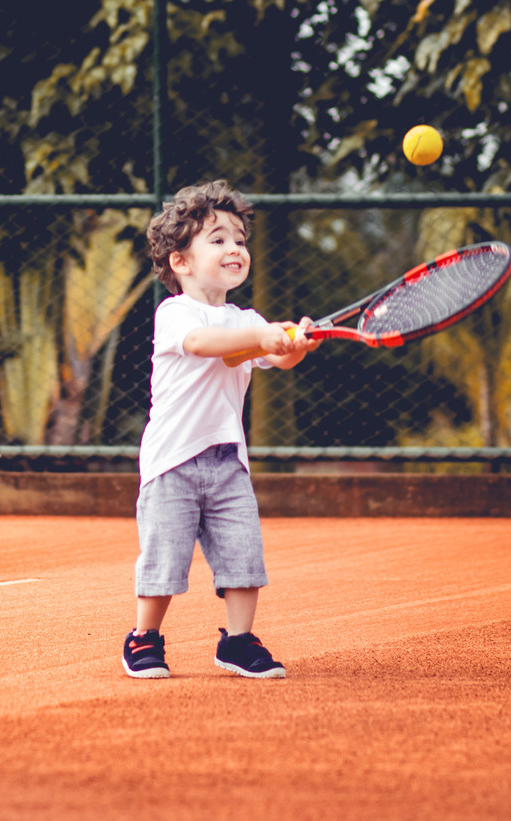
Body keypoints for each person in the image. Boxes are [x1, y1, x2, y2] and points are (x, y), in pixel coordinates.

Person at [123, 179, 321, 680]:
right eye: (217, 239)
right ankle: (144, 638)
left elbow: (277, 355)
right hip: (173, 462)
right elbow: (205, 343)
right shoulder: (176, 314)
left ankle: (237, 642)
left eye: (239, 239)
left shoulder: (245, 317)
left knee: (243, 554)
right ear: (180, 262)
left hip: (228, 461)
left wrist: (296, 343)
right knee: (165, 560)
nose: (234, 248)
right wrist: (259, 335)